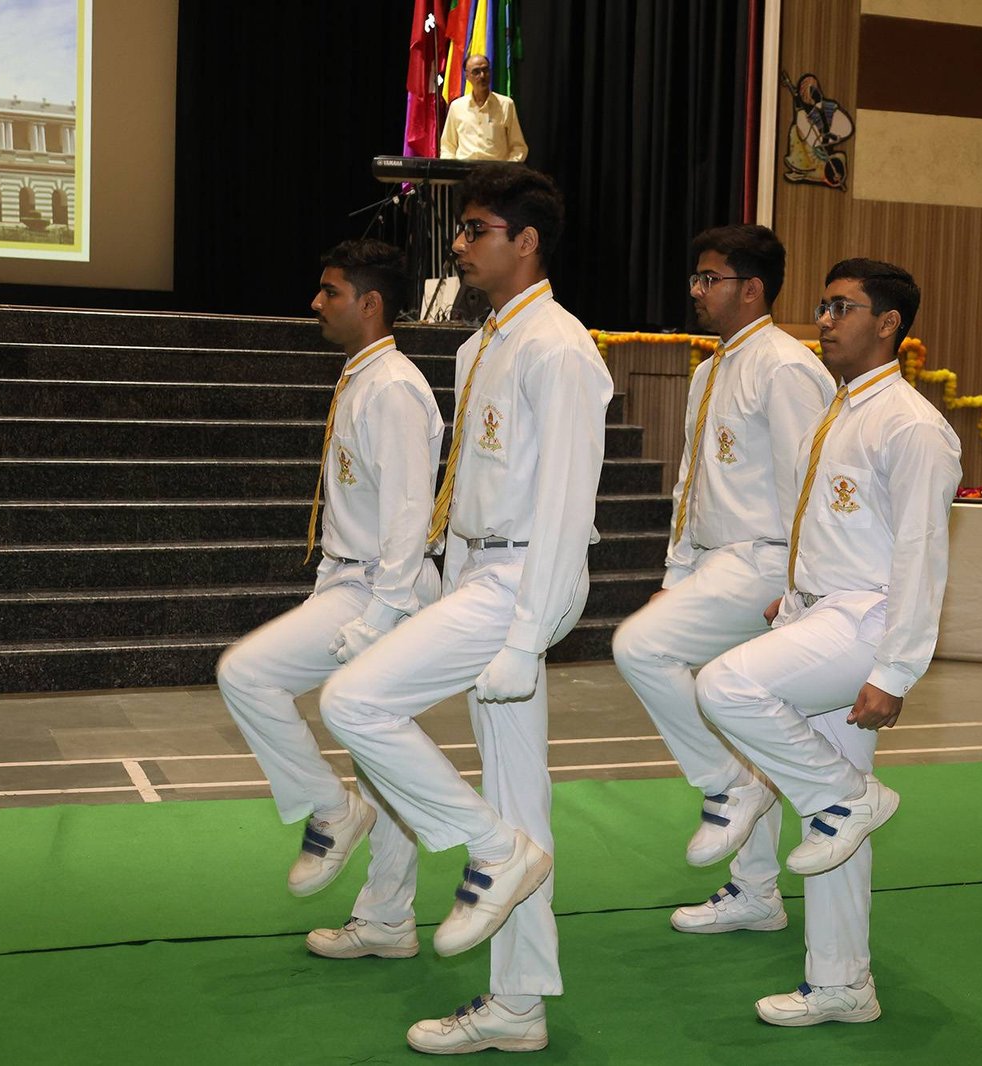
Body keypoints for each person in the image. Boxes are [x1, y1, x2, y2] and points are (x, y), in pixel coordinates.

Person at [318, 164, 612, 1055]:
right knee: (521, 799)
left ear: (526, 241)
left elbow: (566, 502)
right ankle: (518, 1005)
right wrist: (430, 590)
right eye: (461, 229)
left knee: (354, 702)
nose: (456, 243)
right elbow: (466, 490)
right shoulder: (481, 343)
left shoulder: (559, 347)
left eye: (475, 229)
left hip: (524, 578)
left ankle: (486, 848)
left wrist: (528, 632)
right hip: (477, 568)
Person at [695, 258, 963, 1026]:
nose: (824, 320)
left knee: (725, 686)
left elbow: (920, 554)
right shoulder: (838, 408)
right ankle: (842, 982)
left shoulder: (912, 425)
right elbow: (834, 529)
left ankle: (846, 798)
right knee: (832, 830)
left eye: (844, 307)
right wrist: (794, 598)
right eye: (822, 305)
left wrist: (896, 671)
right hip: (821, 613)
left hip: (868, 621)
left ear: (889, 324)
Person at [215, 238, 444, 959]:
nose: (316, 303)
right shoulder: (362, 376)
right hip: (355, 577)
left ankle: (328, 808)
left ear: (370, 303)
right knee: (381, 755)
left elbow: (409, 512)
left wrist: (381, 614)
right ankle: (386, 919)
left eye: (331, 291)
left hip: (384, 586)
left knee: (247, 673)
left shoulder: (393, 386)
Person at [611, 225, 834, 936]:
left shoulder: (787, 367)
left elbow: (807, 488)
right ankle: (756, 891)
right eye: (696, 277)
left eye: (710, 278)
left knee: (639, 647)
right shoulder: (709, 370)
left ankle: (725, 785)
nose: (696, 291)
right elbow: (690, 483)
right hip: (713, 559)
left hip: (765, 560)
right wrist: (676, 574)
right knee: (735, 715)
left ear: (753, 288)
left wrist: (798, 589)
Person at [440, 53, 528, 162]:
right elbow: (447, 146)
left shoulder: (506, 105)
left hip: (495, 170)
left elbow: (518, 147)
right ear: (467, 76)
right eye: (476, 72)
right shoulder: (457, 107)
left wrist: (506, 169)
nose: (482, 76)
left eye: (485, 70)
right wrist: (452, 168)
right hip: (464, 170)